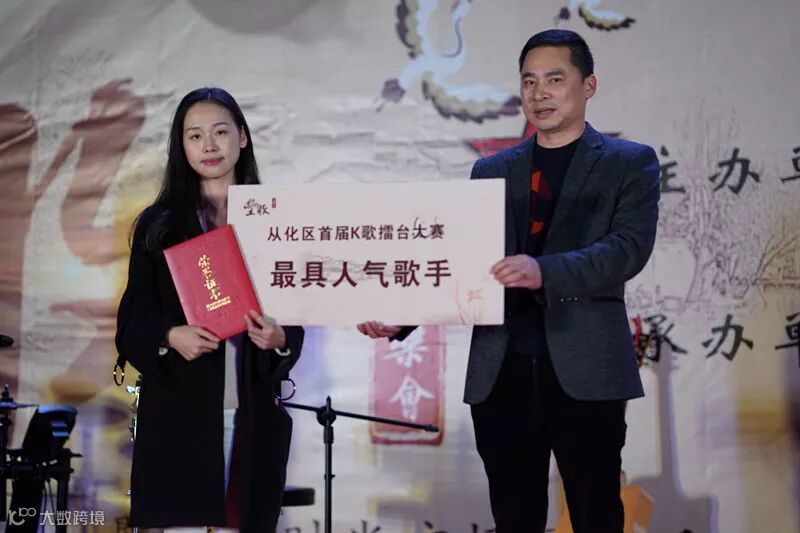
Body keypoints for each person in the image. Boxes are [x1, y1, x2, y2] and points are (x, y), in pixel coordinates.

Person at [358, 29, 659, 532]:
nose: (540, 93)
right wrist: (404, 317)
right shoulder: (492, 170)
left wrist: (544, 271)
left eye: (555, 79)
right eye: (529, 81)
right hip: (502, 372)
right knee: (513, 518)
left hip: (586, 369)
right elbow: (465, 262)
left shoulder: (629, 163)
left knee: (596, 515)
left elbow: (626, 250)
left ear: (588, 85)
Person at [115, 87, 304, 532]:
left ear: (243, 137)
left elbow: (297, 312)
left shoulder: (276, 220)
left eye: (220, 132)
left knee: (246, 519)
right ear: (181, 146)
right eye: (195, 136)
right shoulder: (159, 224)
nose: (209, 146)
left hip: (252, 408)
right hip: (179, 410)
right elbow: (132, 320)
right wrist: (169, 336)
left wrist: (280, 339)